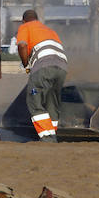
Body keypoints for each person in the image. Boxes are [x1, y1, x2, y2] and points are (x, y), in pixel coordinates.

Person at [17, 9, 67, 142]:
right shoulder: (50, 31)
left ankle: (47, 138)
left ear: (24, 20)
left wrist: (26, 65)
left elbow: (22, 45)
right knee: (52, 102)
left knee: (34, 100)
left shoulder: (25, 27)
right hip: (62, 67)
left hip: (44, 66)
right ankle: (53, 134)